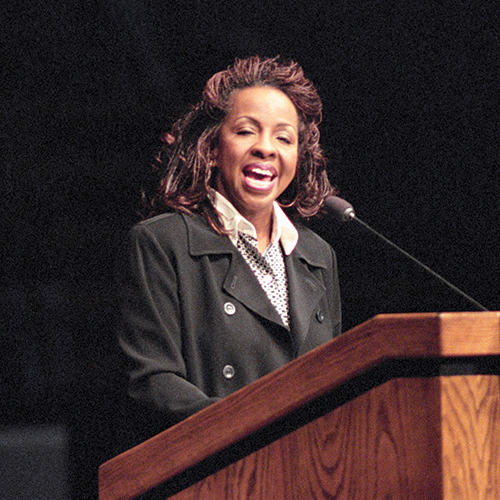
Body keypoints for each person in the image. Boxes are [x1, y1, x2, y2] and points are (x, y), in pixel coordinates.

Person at [117, 56, 342, 431]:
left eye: (283, 138)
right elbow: (153, 383)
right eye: (245, 131)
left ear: (298, 157)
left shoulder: (317, 256)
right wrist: (251, 428)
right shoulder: (162, 243)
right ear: (212, 147)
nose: (266, 148)